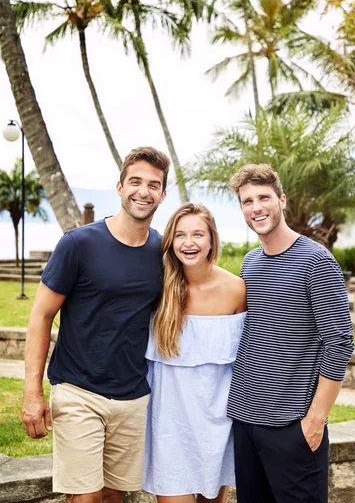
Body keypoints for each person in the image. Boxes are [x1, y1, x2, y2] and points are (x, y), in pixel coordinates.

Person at [21, 146, 170, 503]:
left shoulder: (164, 252)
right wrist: (32, 393)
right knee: (85, 498)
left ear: (162, 195)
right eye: (135, 181)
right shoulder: (78, 244)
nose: (143, 191)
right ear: (119, 187)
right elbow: (41, 315)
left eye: (153, 185)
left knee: (114, 496)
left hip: (133, 396)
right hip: (78, 391)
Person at [227, 164, 354, 503]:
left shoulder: (317, 262)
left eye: (264, 197)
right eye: (247, 201)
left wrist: (315, 420)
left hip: (292, 426)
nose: (256, 207)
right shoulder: (249, 263)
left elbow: (340, 342)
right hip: (245, 420)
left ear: (281, 200)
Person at [143, 202, 246, 503]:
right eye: (180, 235)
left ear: (212, 239)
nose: (189, 243)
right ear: (170, 241)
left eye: (198, 234)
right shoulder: (158, 288)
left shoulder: (237, 289)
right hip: (168, 423)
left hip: (219, 421)